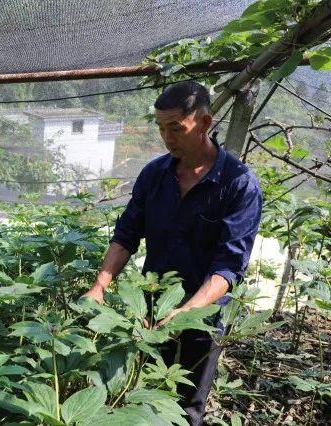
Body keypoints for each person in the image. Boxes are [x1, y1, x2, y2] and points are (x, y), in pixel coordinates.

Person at [82, 81, 262, 425]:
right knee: (140, 389)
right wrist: (100, 285)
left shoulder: (238, 184)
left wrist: (185, 312)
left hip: (203, 313)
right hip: (151, 302)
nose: (167, 137)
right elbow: (126, 235)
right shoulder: (154, 174)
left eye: (176, 128)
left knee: (189, 403)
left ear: (205, 123)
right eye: (161, 128)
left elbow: (228, 267)